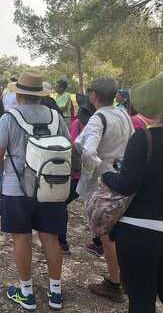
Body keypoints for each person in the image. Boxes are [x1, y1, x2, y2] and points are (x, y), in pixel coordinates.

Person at [102, 73, 163, 313]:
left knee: (141, 301)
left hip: (140, 230)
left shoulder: (144, 137)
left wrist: (106, 176)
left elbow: (126, 185)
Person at [0, 70, 70, 310]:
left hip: (17, 189)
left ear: (18, 95)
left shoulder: (9, 118)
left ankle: (26, 292)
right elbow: (69, 148)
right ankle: (55, 292)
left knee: (21, 239)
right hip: (51, 187)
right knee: (51, 239)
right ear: (41, 95)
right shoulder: (56, 117)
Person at [75, 76, 134, 302]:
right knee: (119, 228)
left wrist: (90, 172)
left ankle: (114, 283)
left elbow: (89, 151)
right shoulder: (122, 114)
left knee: (107, 231)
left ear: (93, 95)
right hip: (123, 172)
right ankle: (124, 278)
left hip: (105, 178)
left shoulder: (98, 118)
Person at [57, 93, 96, 252]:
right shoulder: (101, 124)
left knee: (60, 203)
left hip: (77, 173)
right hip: (98, 172)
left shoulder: (77, 124)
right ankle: (100, 243)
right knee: (98, 208)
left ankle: (61, 241)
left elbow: (71, 147)